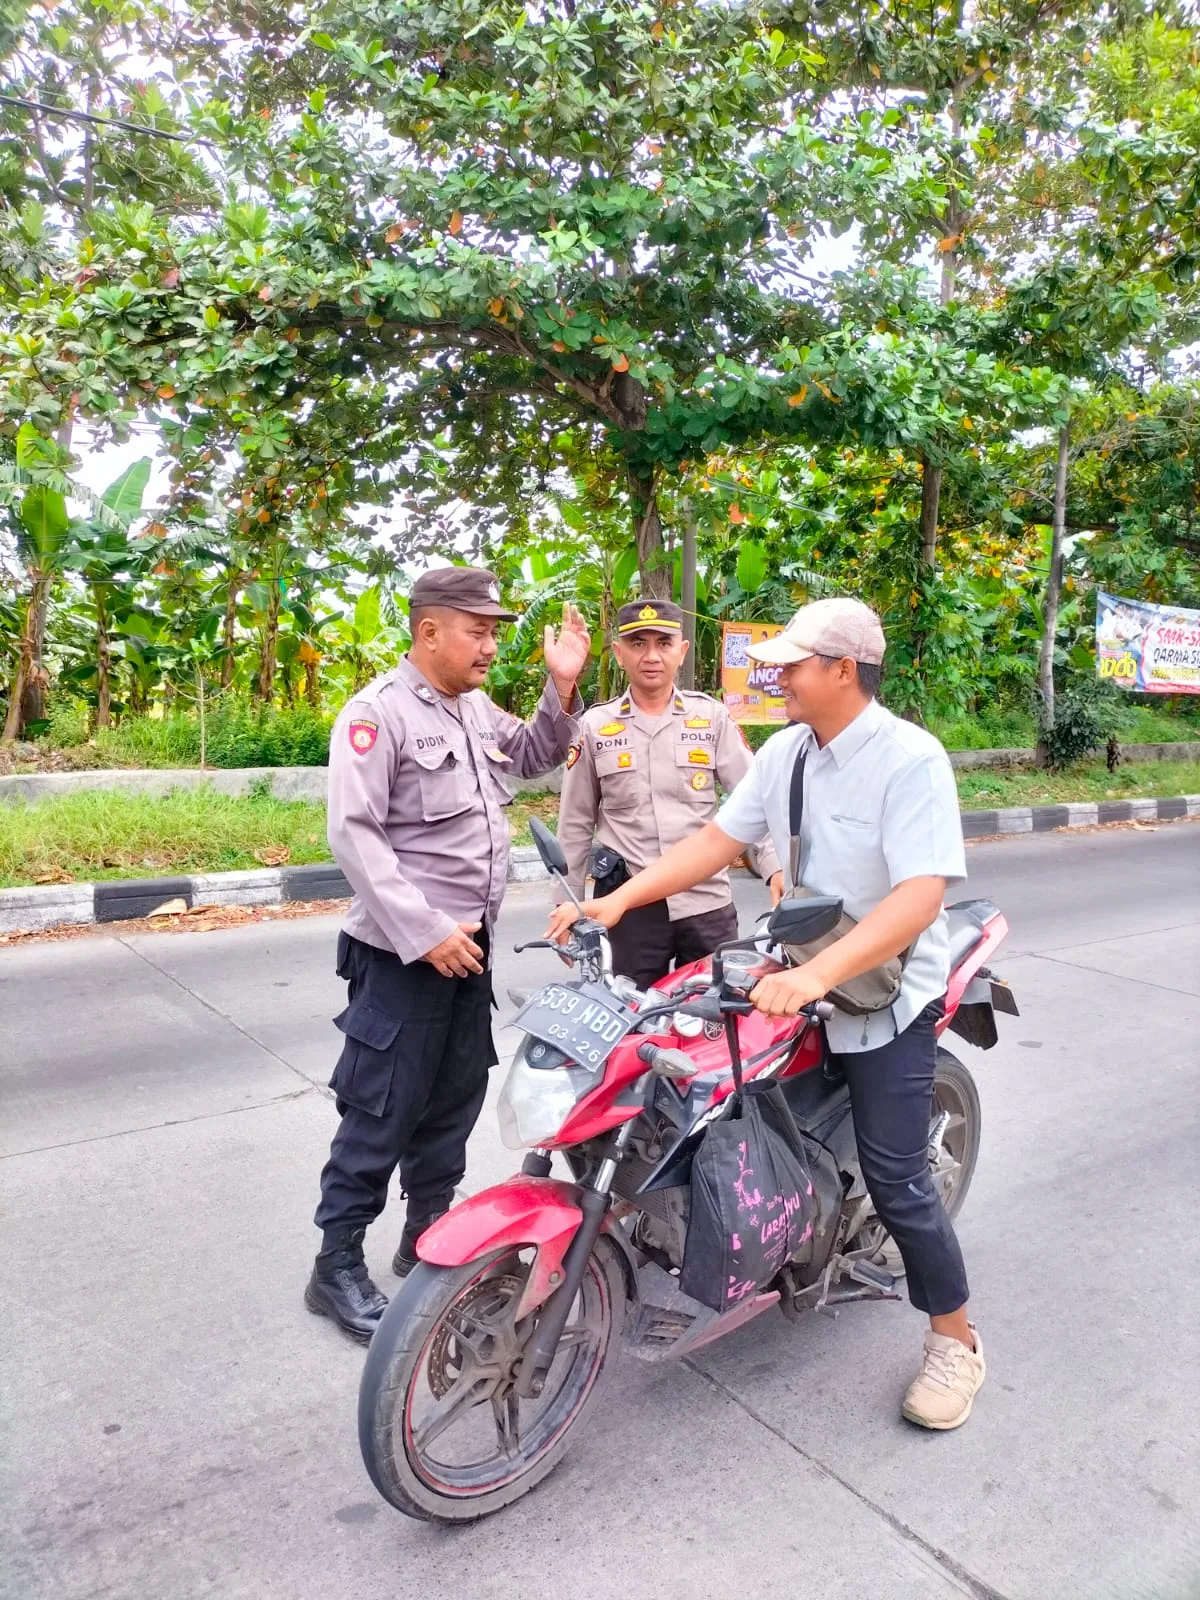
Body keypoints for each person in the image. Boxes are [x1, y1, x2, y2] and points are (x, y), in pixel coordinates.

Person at [546, 596, 984, 1431]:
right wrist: (618, 901)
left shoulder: (910, 759)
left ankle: (955, 1340)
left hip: (886, 991)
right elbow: (715, 843)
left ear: (844, 671)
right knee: (704, 1090)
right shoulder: (787, 751)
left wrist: (817, 973)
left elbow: (920, 896)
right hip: (797, 964)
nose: (776, 675)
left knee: (898, 1177)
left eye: (793, 664)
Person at [307, 567, 590, 1342]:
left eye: (495, 632)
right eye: (478, 631)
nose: (490, 645)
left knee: (452, 1098)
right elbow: (354, 834)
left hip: (469, 950)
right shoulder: (378, 714)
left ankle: (426, 1238)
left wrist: (562, 687)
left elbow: (535, 753)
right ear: (429, 631)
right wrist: (425, 930)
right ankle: (334, 1265)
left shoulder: (472, 707)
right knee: (381, 1110)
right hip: (403, 955)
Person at [556, 598, 783, 988]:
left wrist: (774, 865)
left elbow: (753, 799)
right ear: (619, 653)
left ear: (682, 651)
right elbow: (575, 823)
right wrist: (568, 902)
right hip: (631, 906)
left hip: (706, 901)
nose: (651, 656)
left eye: (663, 643)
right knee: (628, 1014)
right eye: (638, 644)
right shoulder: (594, 726)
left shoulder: (710, 718)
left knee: (718, 1012)